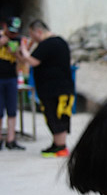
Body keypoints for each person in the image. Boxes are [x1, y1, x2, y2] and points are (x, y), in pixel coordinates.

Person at [17, 19, 75, 157]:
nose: (32, 38)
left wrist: (25, 49)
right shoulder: (59, 42)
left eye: (32, 35)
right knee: (53, 117)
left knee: (57, 117)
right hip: (55, 88)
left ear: (38, 31)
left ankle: (60, 146)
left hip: (55, 89)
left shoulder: (48, 44)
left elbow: (32, 61)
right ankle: (57, 144)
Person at [0, 17, 25, 151]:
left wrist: (15, 53)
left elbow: (23, 60)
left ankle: (11, 139)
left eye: (15, 32)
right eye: (11, 31)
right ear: (4, 26)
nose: (13, 35)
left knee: (12, 109)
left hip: (11, 78)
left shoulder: (18, 40)